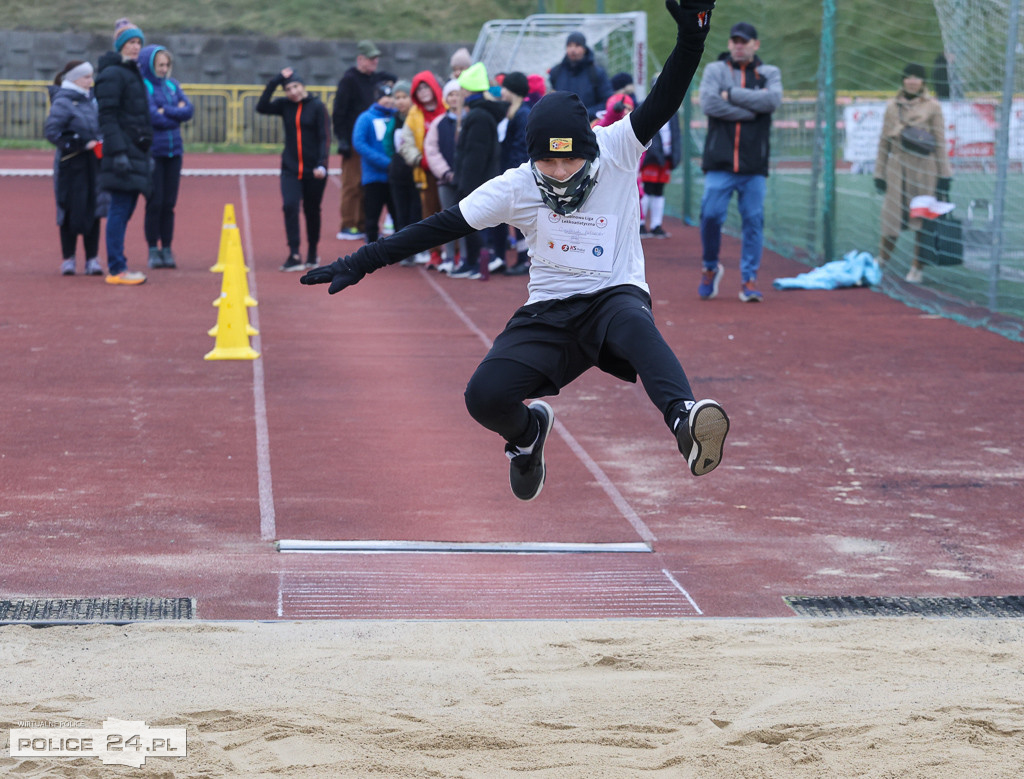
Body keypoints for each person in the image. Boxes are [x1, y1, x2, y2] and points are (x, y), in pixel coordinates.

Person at [301, 0, 728, 503]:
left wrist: (693, 37)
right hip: (548, 309)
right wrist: (359, 260)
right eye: (549, 161)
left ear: (590, 147)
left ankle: (684, 420)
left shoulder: (617, 147)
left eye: (571, 160)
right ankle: (526, 436)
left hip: (614, 293)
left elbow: (665, 97)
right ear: (533, 157)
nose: (562, 171)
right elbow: (440, 226)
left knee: (634, 323)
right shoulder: (516, 186)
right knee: (483, 397)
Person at [697, 21, 782, 303]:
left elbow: (771, 101)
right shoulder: (715, 70)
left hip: (753, 165)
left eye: (744, 41)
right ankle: (710, 267)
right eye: (734, 40)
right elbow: (708, 103)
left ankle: (749, 279)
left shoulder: (768, 73)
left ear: (755, 44)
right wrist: (749, 111)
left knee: (753, 221)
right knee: (710, 215)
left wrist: (731, 94)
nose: (738, 45)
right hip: (719, 163)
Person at [874, 62, 952, 284]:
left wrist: (944, 175)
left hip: (924, 169)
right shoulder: (891, 106)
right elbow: (883, 142)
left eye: (917, 77)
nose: (912, 81)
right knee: (890, 219)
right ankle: (881, 261)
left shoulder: (933, 107)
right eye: (908, 76)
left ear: (923, 82)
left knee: (922, 219)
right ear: (902, 80)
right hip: (897, 168)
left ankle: (917, 267)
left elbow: (939, 142)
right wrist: (879, 173)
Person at [94, 17, 152, 286]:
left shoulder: (130, 71)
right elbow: (107, 116)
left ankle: (119, 264)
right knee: (119, 209)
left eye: (139, 42)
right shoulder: (113, 74)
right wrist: (117, 152)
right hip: (123, 152)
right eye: (130, 42)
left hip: (134, 150)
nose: (135, 47)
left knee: (124, 210)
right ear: (120, 45)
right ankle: (117, 268)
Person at [256, 68, 330, 271]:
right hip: (290, 168)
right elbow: (261, 107)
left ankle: (313, 251)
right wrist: (276, 80)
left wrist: (322, 163)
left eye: (295, 86)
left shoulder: (317, 107)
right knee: (290, 206)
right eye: (288, 89)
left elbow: (325, 137)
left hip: (314, 170)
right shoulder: (284, 106)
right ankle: (294, 253)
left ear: (303, 86)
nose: (293, 92)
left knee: (312, 211)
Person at [44, 60, 106, 277]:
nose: (91, 81)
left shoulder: (93, 100)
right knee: (69, 209)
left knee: (95, 207)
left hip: (93, 163)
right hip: (71, 164)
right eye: (87, 77)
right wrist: (79, 144)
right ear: (74, 79)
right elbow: (52, 132)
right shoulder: (63, 101)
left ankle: (92, 259)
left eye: (91, 76)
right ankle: (68, 259)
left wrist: (102, 140)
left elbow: (101, 125)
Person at [138, 44, 193, 269]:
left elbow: (188, 110)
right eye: (160, 64)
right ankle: (153, 249)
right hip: (154, 153)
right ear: (150, 65)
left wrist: (167, 111)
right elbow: (152, 116)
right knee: (155, 202)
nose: (163, 69)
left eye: (166, 65)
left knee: (169, 204)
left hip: (174, 152)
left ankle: (167, 248)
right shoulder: (145, 86)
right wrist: (174, 113)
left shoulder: (173, 85)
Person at [449, 62, 505, 279]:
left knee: (470, 223)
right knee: (468, 223)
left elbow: (475, 154)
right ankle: (472, 261)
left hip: (474, 180)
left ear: (468, 90)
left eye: (462, 88)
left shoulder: (478, 116)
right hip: (474, 178)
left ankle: (481, 262)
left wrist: (466, 185)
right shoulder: (479, 113)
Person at [332, 40, 382, 240]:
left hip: (371, 140)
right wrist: (343, 139)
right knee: (352, 184)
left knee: (367, 184)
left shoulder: (373, 79)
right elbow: (339, 112)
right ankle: (348, 224)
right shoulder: (349, 80)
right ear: (360, 59)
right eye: (371, 58)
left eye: (376, 58)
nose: (375, 61)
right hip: (354, 141)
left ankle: (363, 223)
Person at [400, 71, 447, 265]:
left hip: (447, 170)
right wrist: (419, 159)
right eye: (419, 89)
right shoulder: (414, 114)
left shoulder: (446, 108)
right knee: (430, 214)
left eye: (426, 87)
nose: (423, 92)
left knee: (452, 211)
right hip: (425, 172)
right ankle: (434, 253)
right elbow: (406, 143)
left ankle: (455, 253)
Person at [423, 79, 465, 273]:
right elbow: (431, 150)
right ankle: (448, 256)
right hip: (445, 180)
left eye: (458, 94)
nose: (454, 98)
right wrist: (446, 173)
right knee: (447, 219)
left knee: (468, 220)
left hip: (467, 181)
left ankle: (464, 256)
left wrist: (465, 174)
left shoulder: (470, 119)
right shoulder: (439, 123)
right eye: (451, 95)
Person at [352, 82, 398, 244]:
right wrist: (385, 162)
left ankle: (400, 251)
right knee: (371, 218)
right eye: (384, 97)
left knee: (399, 216)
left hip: (395, 177)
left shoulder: (397, 116)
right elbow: (359, 143)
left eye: (391, 97)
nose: (389, 101)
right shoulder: (366, 118)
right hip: (374, 177)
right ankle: (369, 252)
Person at [640, 76, 681, 239]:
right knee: (646, 189)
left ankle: (657, 225)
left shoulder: (674, 108)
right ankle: (641, 224)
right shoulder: (647, 104)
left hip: (665, 156)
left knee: (659, 190)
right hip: (651, 156)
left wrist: (675, 154)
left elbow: (676, 132)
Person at [547, 31, 613, 121]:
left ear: (584, 48)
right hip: (560, 125)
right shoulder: (556, 72)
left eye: (577, 45)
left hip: (589, 126)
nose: (573, 49)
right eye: (569, 45)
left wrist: (584, 114)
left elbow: (607, 101)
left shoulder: (597, 73)